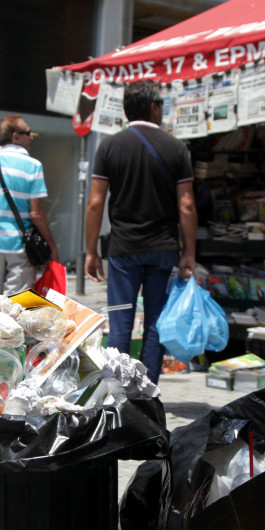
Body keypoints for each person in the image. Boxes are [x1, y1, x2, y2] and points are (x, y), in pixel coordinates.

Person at [83, 80, 196, 384]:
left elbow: (95, 203)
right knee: (156, 324)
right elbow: (186, 205)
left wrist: (91, 250)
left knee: (120, 321)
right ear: (153, 107)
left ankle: (117, 393)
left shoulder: (110, 146)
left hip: (123, 253)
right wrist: (189, 252)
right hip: (163, 251)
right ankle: (148, 393)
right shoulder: (176, 148)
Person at [0, 115, 58, 303]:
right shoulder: (33, 166)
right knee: (16, 304)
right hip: (19, 245)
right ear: (15, 136)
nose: (31, 137)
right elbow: (36, 213)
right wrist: (51, 244)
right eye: (28, 133)